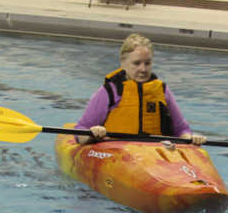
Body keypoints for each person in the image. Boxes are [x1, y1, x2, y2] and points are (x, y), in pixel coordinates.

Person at [76, 33, 206, 145]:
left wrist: (191, 139)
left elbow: (181, 130)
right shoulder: (109, 91)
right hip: (117, 152)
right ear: (123, 63)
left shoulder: (162, 91)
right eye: (137, 63)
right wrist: (93, 132)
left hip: (154, 152)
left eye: (147, 63)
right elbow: (81, 130)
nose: (143, 69)